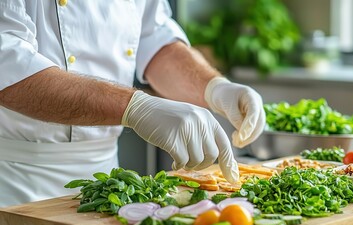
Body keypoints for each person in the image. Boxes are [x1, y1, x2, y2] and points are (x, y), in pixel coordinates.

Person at [0, 0, 266, 207]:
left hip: (105, 180)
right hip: (17, 179)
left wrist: (215, 88)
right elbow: (8, 64)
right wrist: (134, 106)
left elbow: (155, 37)